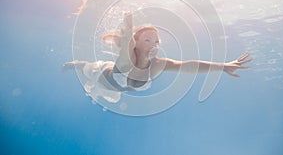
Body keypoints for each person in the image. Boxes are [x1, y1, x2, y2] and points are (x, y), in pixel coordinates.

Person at [62, 12, 252, 103]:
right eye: (148, 39)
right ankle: (73, 64)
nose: (153, 43)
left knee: (148, 69)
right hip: (102, 74)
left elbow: (188, 65)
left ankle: (77, 64)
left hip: (122, 84)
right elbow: (128, 44)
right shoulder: (128, 53)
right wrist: (128, 32)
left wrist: (223, 66)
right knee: (85, 65)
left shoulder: (158, 63)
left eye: (156, 40)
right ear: (136, 41)